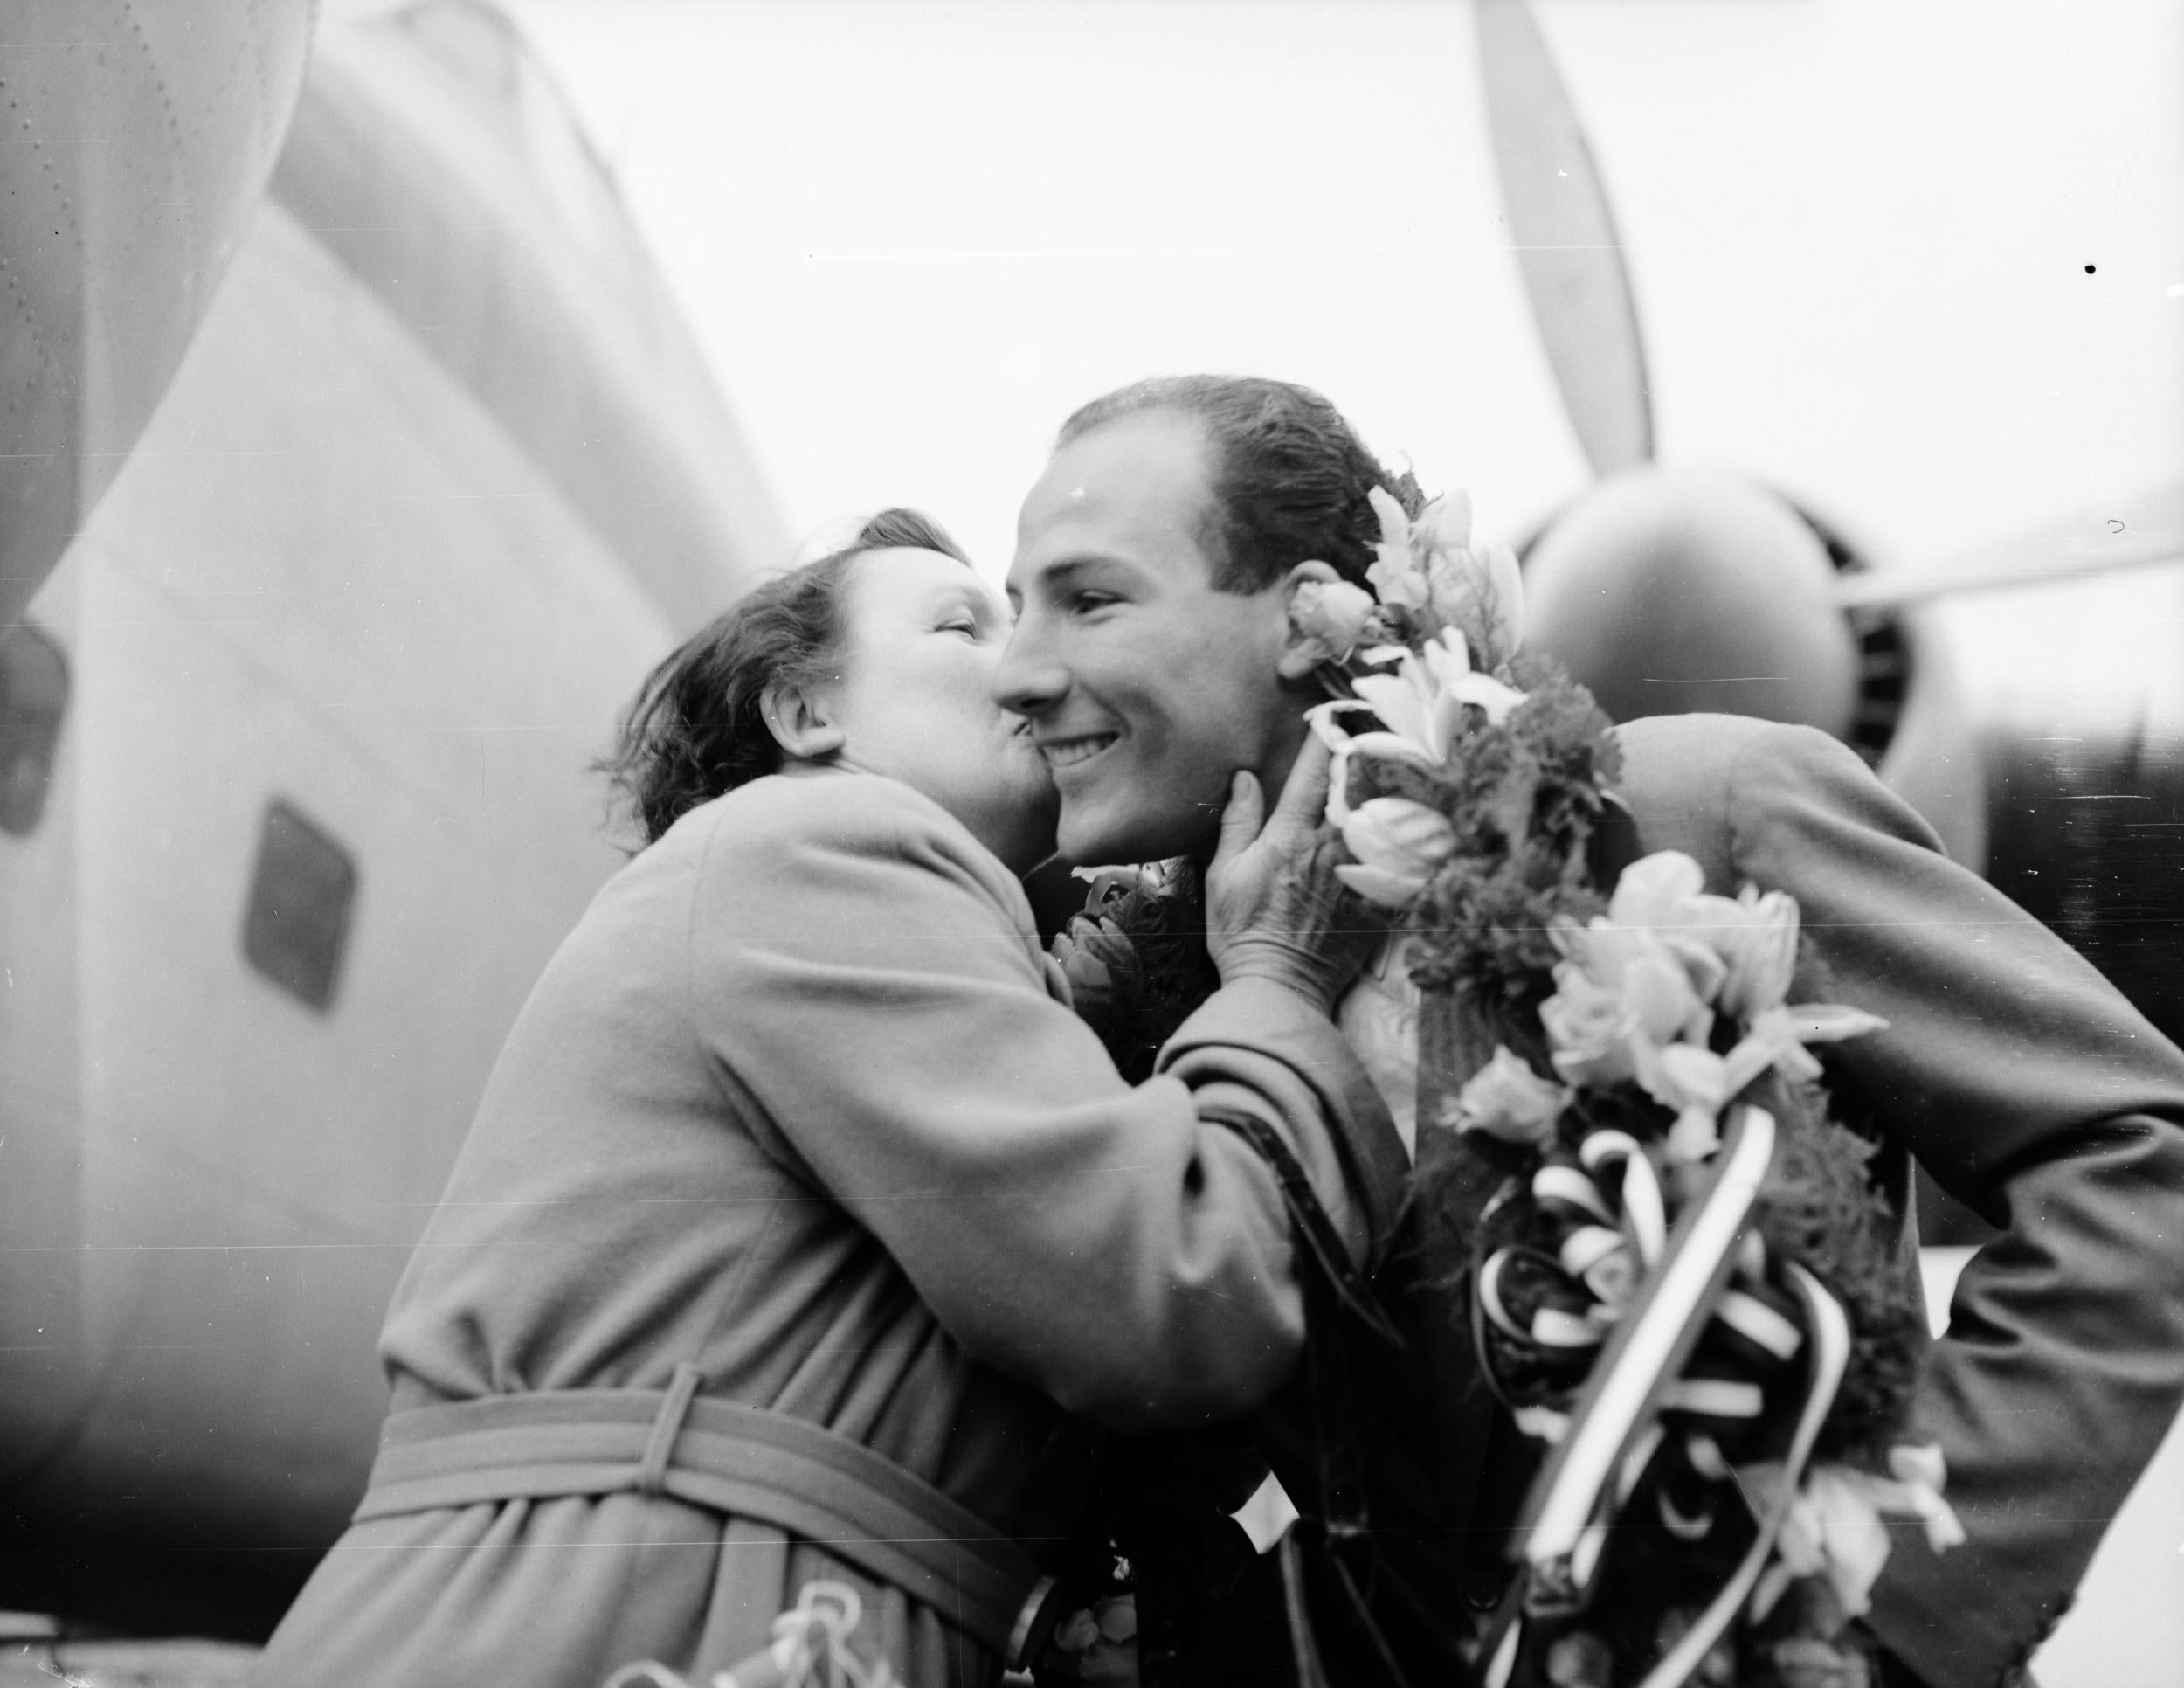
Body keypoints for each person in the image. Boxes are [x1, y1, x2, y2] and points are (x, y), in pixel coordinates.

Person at [994, 376, 2184, 1688]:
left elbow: (2141, 1156)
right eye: (1006, 611)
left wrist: (1890, 1602)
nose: (1017, 671)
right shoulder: (1171, 1044)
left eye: (1087, 597)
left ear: (1304, 612)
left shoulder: (1697, 807)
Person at [252, 509, 1393, 1688]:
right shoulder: (836, 843)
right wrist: (1279, 982)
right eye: (965, 626)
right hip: (625, 1621)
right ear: (807, 714)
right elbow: (1168, 1282)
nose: (1025, 668)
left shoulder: (866, 907)